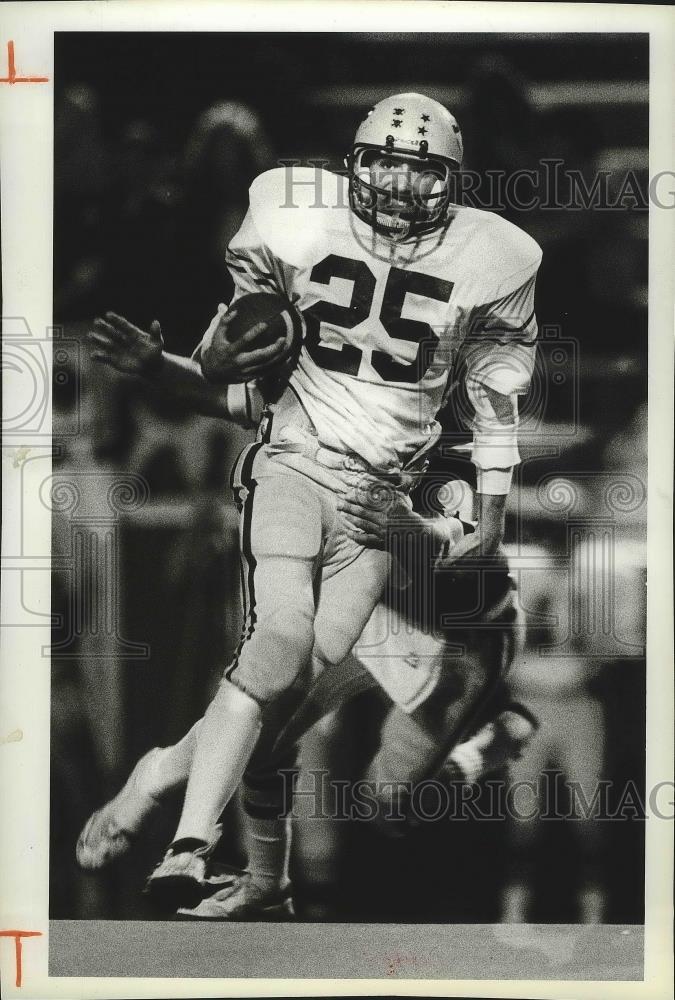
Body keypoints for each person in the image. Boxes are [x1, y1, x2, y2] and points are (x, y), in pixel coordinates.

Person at [85, 92, 542, 914]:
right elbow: (230, 402)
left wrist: (414, 525)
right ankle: (262, 881)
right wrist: (169, 368)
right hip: (360, 586)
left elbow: (468, 541)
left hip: (440, 618)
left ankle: (491, 737)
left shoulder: (450, 428)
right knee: (269, 715)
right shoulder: (332, 388)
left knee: (382, 802)